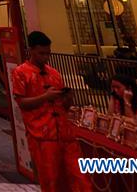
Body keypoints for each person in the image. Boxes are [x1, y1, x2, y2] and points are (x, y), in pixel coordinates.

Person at [11, 31, 91, 192]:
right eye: (41, 53)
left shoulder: (54, 74)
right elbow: (21, 103)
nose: (45, 57)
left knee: (81, 178)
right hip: (42, 136)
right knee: (51, 181)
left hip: (66, 135)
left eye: (48, 53)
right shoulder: (21, 73)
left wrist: (68, 99)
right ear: (31, 50)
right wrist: (45, 97)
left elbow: (64, 106)